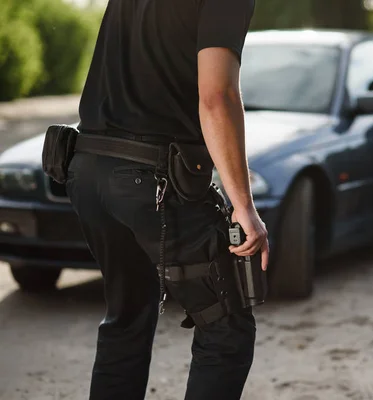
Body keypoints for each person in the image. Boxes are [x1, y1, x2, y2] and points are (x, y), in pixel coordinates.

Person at [63, 0, 267, 399]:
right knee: (226, 328)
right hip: (152, 180)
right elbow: (217, 96)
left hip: (87, 171)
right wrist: (243, 205)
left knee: (126, 319)